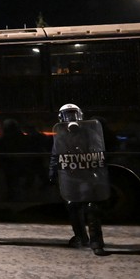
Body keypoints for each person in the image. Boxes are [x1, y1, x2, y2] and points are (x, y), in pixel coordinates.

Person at [49, 103, 109, 256]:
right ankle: (81, 237)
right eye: (67, 115)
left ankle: (96, 242)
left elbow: (98, 152)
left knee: (91, 207)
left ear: (80, 115)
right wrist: (53, 173)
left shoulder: (89, 133)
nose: (71, 118)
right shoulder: (61, 135)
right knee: (73, 206)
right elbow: (56, 156)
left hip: (86, 175)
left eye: (73, 114)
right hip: (70, 176)